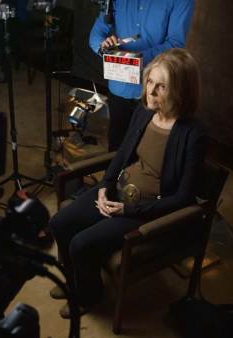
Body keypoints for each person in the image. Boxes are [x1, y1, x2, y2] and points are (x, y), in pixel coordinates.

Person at [48, 48, 206, 318]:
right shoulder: (144, 113)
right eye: (149, 82)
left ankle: (89, 295)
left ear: (180, 91)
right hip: (119, 191)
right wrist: (103, 188)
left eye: (162, 86)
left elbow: (183, 198)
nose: (151, 92)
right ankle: (77, 280)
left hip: (146, 208)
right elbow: (122, 155)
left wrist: (127, 211)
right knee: (59, 223)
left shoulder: (193, 134)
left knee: (81, 244)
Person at [89, 0, 195, 151]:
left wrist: (135, 59)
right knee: (116, 150)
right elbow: (96, 33)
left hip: (155, 92)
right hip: (120, 87)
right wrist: (103, 47)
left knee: (148, 154)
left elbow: (175, 44)